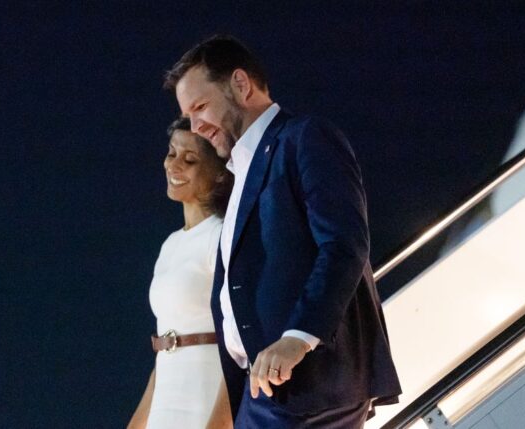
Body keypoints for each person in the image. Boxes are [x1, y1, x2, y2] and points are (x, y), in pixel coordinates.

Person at [163, 35, 402, 428]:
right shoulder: (240, 172)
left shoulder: (305, 138)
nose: (196, 126)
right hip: (265, 393)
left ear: (241, 84)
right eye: (188, 115)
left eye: (200, 107)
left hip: (309, 387)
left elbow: (344, 244)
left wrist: (298, 337)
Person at [128, 118, 235, 429]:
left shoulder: (223, 236)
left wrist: (220, 423)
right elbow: (168, 343)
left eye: (189, 159)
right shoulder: (171, 244)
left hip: (206, 399)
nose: (173, 165)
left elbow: (242, 343)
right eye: (172, 153)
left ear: (219, 173)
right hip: (167, 405)